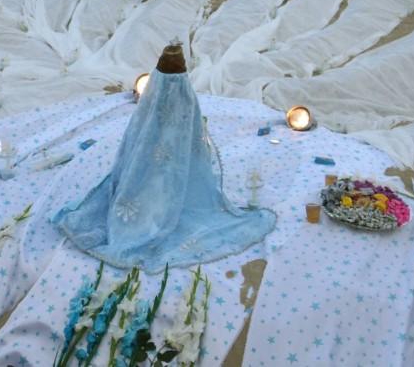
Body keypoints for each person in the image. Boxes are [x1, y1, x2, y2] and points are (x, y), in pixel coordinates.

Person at [53, 43, 276, 273]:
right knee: (155, 157)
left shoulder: (174, 90)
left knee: (164, 154)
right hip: (159, 145)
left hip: (170, 141)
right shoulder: (171, 90)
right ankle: (150, 203)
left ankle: (159, 198)